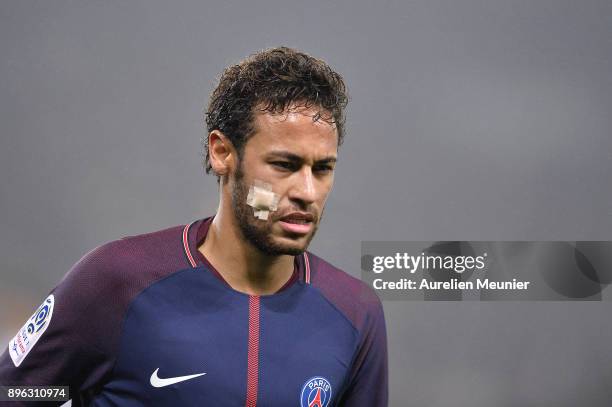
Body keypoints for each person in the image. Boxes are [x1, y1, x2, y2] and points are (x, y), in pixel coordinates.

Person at [0, 47, 388, 407]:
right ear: (222, 153)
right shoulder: (116, 282)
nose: (307, 191)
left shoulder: (354, 312)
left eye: (323, 169)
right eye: (284, 165)